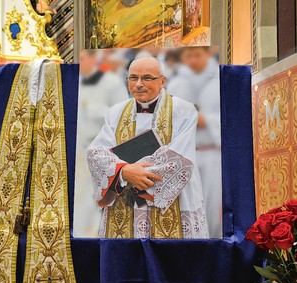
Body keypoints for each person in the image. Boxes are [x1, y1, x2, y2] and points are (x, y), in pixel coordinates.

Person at [86, 57, 208, 239]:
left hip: (171, 200)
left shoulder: (184, 110)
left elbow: (180, 158)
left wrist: (138, 175)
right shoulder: (115, 113)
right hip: (124, 201)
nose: (139, 84)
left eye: (147, 78)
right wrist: (124, 171)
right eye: (133, 78)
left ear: (162, 81)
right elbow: (95, 153)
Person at [167, 47, 222, 237]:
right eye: (188, 56)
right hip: (185, 155)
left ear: (206, 55)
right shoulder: (176, 84)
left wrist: (207, 121)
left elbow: (231, 117)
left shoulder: (218, 81)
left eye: (197, 55)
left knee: (213, 208)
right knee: (189, 206)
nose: (192, 60)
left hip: (212, 152)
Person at [74, 50, 129, 237]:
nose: (80, 63)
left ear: (93, 58)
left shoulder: (111, 84)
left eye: (83, 59)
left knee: (103, 202)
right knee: (82, 202)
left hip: (105, 152)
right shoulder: (76, 84)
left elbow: (123, 117)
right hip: (80, 152)